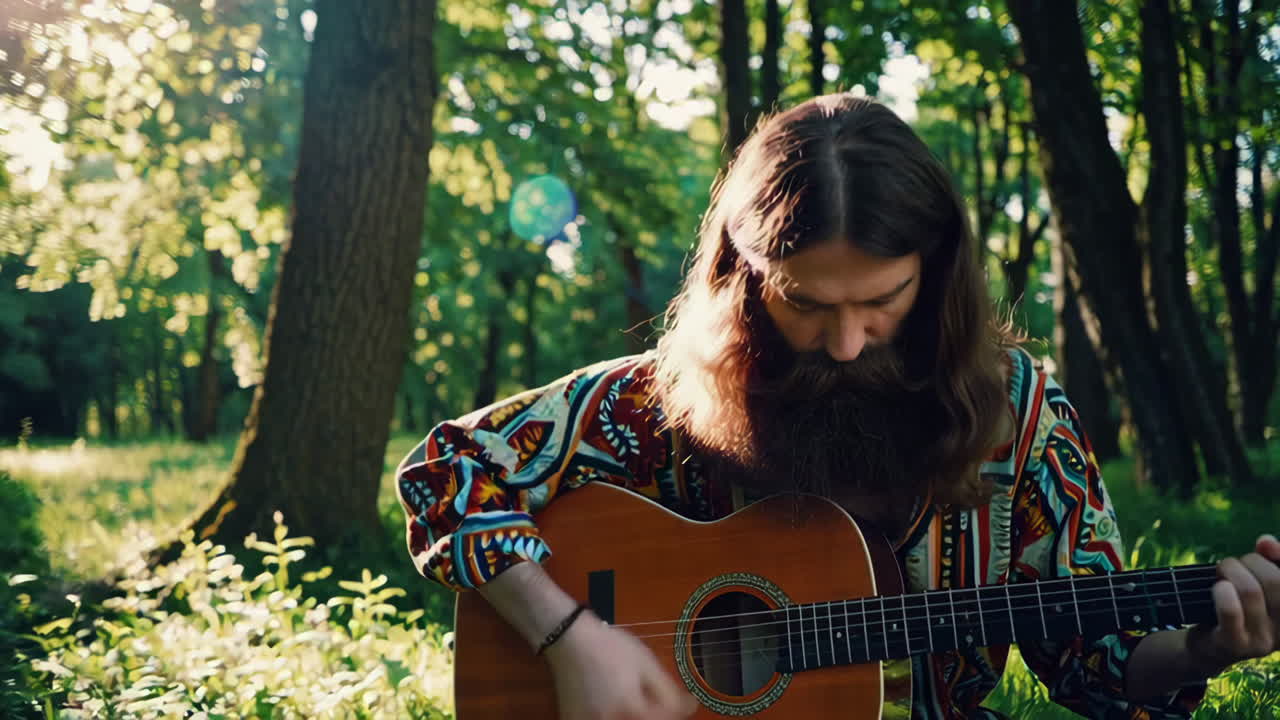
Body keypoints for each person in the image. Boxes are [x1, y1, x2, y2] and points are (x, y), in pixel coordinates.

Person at [393, 94, 1280, 720]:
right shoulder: (647, 402)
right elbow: (444, 471)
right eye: (806, 304)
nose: (848, 342)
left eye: (882, 301)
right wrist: (570, 637)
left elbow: (1098, 669)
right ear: (741, 283)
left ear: (936, 275)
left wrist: (1203, 650)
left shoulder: (1021, 416)